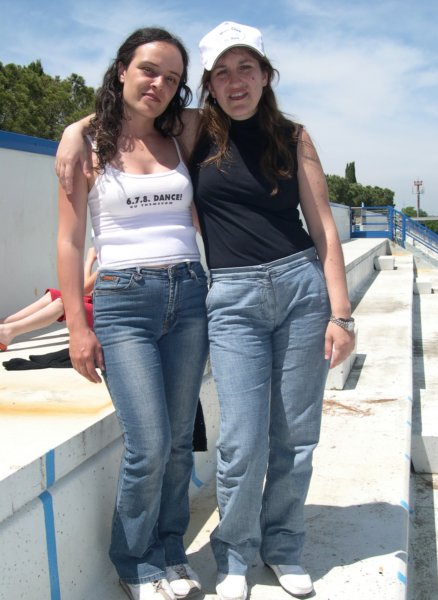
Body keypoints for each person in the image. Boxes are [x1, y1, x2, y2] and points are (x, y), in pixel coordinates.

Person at [56, 21, 355, 600]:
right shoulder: (143, 139)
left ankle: (244, 548)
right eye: (221, 72)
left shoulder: (246, 134)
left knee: (260, 438)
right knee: (202, 440)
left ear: (265, 75)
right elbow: (76, 228)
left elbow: (322, 225)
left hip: (248, 291)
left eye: (246, 69)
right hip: (178, 299)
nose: (235, 82)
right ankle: (190, 557)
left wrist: (340, 313)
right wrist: (75, 129)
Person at [56, 28, 208, 600]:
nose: (158, 84)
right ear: (122, 70)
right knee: (148, 443)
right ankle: (135, 561)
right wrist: (78, 327)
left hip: (189, 295)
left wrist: (74, 124)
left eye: (172, 77)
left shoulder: (182, 134)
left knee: (178, 442)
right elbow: (70, 241)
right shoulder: (87, 147)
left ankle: (171, 550)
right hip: (124, 301)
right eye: (148, 70)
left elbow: (231, 109)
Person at [0, 246, 97, 351]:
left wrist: (90, 259)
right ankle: (4, 323)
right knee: (53, 295)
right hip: (96, 302)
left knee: (65, 303)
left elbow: (85, 289)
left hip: (106, 314)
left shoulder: (109, 261)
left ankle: (7, 332)